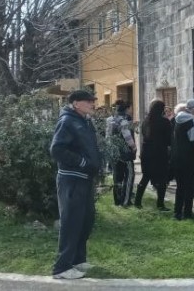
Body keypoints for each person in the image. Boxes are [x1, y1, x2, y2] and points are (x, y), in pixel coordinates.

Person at [49, 90, 101, 280]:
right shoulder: (67, 121)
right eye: (88, 101)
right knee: (71, 222)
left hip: (85, 178)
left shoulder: (84, 121)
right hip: (72, 179)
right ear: (76, 103)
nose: (92, 104)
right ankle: (61, 268)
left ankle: (78, 260)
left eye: (92, 101)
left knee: (85, 220)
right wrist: (82, 162)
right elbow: (57, 149)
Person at [170, 99, 194, 220]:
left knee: (180, 187)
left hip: (177, 158)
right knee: (190, 187)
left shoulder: (177, 119)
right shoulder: (192, 121)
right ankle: (187, 213)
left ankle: (177, 212)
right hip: (189, 160)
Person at [135, 99, 172, 211]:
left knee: (145, 177)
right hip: (159, 153)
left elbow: (144, 134)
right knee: (162, 179)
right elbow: (169, 140)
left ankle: (137, 202)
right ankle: (160, 204)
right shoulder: (164, 122)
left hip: (146, 152)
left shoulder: (146, 121)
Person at [107, 100, 137, 207]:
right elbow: (127, 136)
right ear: (126, 109)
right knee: (129, 176)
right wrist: (133, 147)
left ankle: (117, 200)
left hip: (115, 153)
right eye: (130, 108)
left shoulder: (111, 120)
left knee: (117, 177)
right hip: (125, 154)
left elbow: (108, 136)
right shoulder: (123, 121)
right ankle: (126, 201)